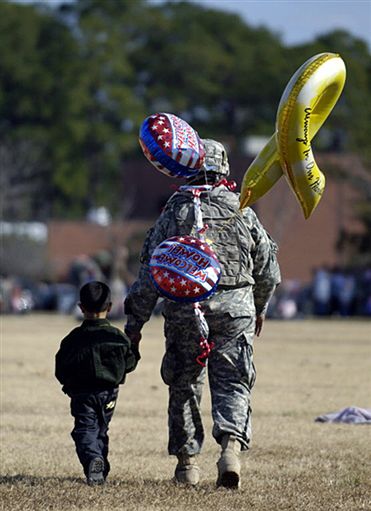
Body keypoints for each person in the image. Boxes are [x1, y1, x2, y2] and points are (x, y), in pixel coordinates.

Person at [124, 139, 281, 489]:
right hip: (234, 310)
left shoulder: (174, 212)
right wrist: (259, 307)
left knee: (184, 385)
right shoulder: (243, 209)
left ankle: (187, 465)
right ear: (224, 167)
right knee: (234, 382)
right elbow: (268, 268)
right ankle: (230, 453)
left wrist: (135, 324)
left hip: (184, 311)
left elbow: (152, 272)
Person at [55, 281, 139, 485]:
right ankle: (100, 469)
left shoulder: (72, 339)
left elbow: (61, 369)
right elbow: (129, 364)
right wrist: (134, 345)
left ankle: (94, 460)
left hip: (82, 394)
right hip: (109, 394)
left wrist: (68, 386)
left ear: (81, 307)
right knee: (101, 429)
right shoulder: (118, 337)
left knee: (84, 430)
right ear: (109, 307)